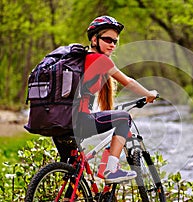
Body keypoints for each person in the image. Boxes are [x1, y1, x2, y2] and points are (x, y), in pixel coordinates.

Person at [54, 15, 157, 184]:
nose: (112, 44)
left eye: (115, 41)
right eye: (107, 39)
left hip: (60, 122)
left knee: (75, 172)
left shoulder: (81, 60)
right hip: (79, 120)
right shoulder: (100, 60)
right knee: (124, 118)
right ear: (94, 39)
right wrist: (148, 93)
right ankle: (110, 169)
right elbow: (128, 82)